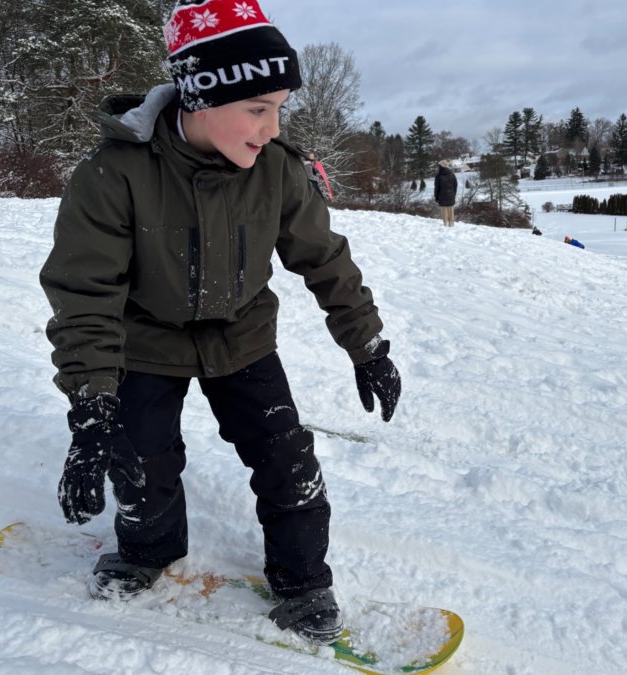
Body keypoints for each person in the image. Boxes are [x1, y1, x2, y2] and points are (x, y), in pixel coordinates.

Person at [39, 0, 401, 646]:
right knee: (140, 462)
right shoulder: (114, 174)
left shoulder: (276, 171)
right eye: (258, 109)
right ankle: (148, 547)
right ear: (202, 97)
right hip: (148, 339)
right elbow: (84, 293)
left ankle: (303, 578)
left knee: (288, 458)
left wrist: (366, 342)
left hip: (243, 335)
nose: (272, 126)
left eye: (280, 109)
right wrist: (92, 410)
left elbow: (325, 258)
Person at [434, 159, 458, 226]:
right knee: (451, 209)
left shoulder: (438, 176)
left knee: (444, 209)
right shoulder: (452, 175)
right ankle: (451, 223)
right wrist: (453, 194)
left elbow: (437, 188)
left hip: (442, 195)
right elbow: (455, 186)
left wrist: (436, 197)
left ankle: (446, 223)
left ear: (441, 166)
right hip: (451, 194)